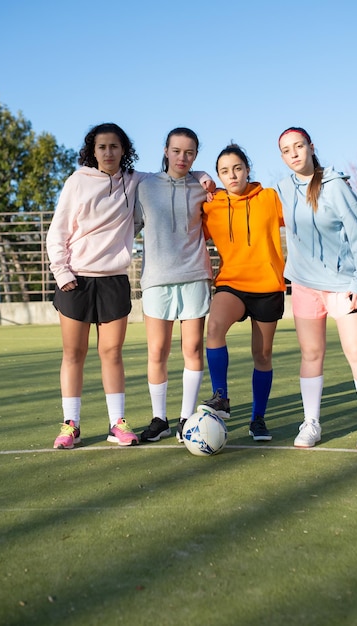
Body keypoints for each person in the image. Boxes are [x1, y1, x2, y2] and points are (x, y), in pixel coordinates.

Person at [277, 126, 357, 449]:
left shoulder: (336, 187)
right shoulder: (282, 188)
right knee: (310, 354)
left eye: (298, 146)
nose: (293, 153)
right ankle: (311, 424)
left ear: (310, 147)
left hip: (343, 286)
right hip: (304, 287)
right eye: (286, 150)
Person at [47, 122, 144, 449]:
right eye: (101, 147)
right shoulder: (77, 181)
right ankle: (70, 424)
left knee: (111, 353)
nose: (108, 152)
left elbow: (173, 175)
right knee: (74, 353)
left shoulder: (134, 182)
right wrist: (62, 273)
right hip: (75, 281)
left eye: (114, 146)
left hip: (114, 280)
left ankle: (117, 423)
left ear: (123, 150)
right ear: (92, 151)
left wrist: (202, 175)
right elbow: (57, 231)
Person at [197, 143, 285, 441]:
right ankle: (221, 396)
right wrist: (200, 177)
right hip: (231, 283)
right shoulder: (211, 205)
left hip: (268, 286)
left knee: (262, 355)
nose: (232, 175)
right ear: (218, 175)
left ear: (247, 169)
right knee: (215, 327)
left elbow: (306, 211)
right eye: (224, 171)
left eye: (237, 168)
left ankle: (258, 418)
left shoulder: (271, 198)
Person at [134, 127, 215, 444]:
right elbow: (129, 226)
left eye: (190, 152)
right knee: (157, 351)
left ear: (196, 156)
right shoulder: (144, 186)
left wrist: (205, 175)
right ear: (166, 150)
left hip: (195, 276)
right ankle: (160, 420)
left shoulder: (202, 186)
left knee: (192, 349)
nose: (183, 157)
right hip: (156, 281)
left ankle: (186, 419)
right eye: (177, 150)